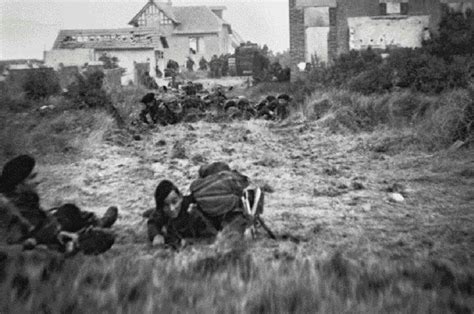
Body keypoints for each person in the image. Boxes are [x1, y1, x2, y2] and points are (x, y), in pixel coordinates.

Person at [0, 155, 117, 255]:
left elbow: (41, 220)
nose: (39, 180)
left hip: (47, 233)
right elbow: (28, 238)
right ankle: (94, 228)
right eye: (32, 177)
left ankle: (96, 224)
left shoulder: (22, 197)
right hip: (42, 247)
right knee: (99, 236)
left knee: (69, 211)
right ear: (18, 185)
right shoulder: (11, 208)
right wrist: (61, 237)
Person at [147, 162, 265, 249]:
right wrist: (156, 235)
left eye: (174, 202)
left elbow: (211, 236)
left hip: (227, 216)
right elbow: (153, 220)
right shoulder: (164, 211)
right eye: (166, 205)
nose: (172, 208)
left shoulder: (193, 210)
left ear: (181, 197)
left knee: (230, 245)